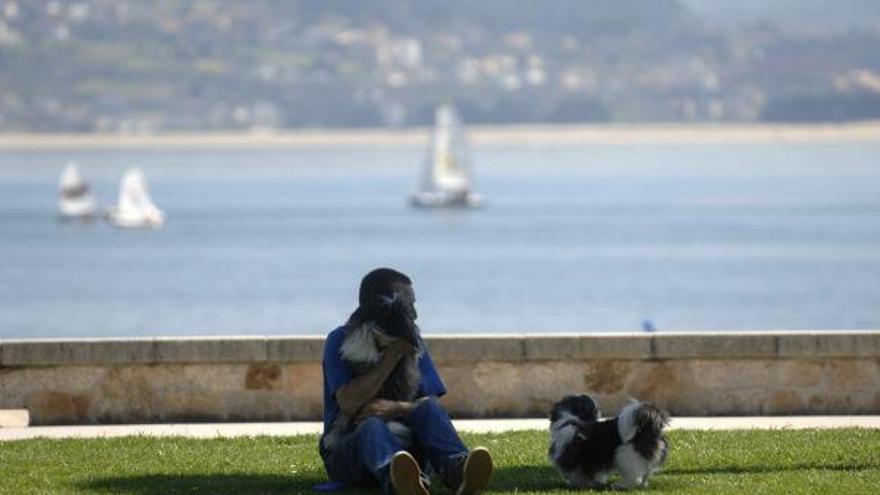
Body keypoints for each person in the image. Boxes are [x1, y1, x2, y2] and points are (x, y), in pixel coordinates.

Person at [319, 268, 493, 495]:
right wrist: (393, 355)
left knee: (429, 408)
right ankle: (399, 482)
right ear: (384, 304)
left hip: (407, 445)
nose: (415, 314)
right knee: (372, 426)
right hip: (349, 450)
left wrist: (397, 408)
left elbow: (428, 404)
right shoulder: (339, 340)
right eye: (409, 304)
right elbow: (349, 404)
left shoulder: (413, 340)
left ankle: (458, 470)